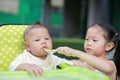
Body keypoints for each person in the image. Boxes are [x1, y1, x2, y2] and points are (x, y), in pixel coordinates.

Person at [8, 22, 80, 76]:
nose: (44, 42)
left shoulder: (52, 57)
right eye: (37, 40)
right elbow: (11, 67)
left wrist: (81, 63)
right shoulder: (24, 57)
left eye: (46, 38)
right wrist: (26, 66)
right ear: (28, 46)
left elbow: (68, 63)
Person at [56, 23, 120, 80]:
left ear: (108, 46)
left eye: (94, 40)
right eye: (87, 39)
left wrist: (75, 52)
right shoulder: (80, 62)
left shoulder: (110, 65)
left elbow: (107, 68)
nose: (89, 43)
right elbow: (64, 63)